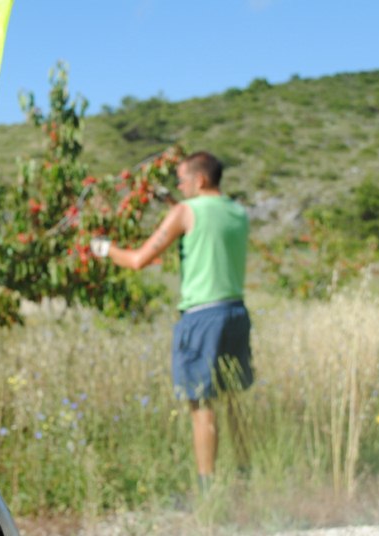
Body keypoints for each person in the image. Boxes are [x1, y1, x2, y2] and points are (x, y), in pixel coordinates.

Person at [91, 151, 253, 491]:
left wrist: (104, 250)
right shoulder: (237, 212)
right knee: (235, 398)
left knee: (202, 404)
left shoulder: (185, 212)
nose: (179, 186)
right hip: (235, 312)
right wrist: (171, 203)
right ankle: (245, 478)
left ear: (200, 179)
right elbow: (204, 225)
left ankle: (207, 490)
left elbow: (138, 260)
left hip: (201, 318)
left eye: (182, 180)